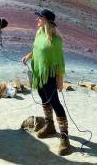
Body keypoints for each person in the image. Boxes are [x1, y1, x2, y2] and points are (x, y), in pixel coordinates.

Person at [22, 9, 70, 156]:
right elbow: (37, 50)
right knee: (44, 99)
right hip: (39, 74)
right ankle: (50, 126)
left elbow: (59, 62)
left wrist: (60, 80)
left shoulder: (55, 40)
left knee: (55, 103)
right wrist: (29, 56)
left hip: (50, 77)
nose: (37, 20)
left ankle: (64, 137)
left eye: (40, 18)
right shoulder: (39, 33)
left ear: (47, 20)